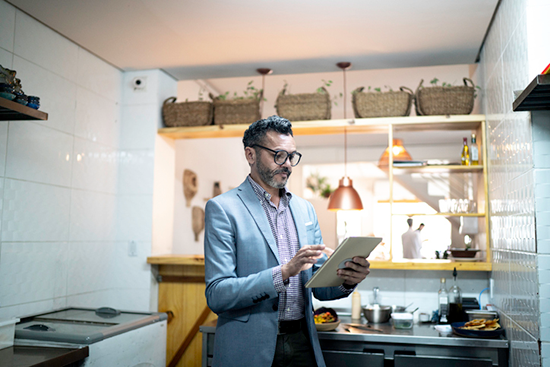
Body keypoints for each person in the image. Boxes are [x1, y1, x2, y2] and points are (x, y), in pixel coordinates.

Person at [204, 115, 371, 367]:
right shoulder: (223, 208)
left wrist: (347, 279)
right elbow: (218, 295)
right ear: (250, 155)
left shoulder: (305, 210)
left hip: (303, 342)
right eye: (278, 155)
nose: (288, 164)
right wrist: (284, 272)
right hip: (249, 348)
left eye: (291, 156)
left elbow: (320, 287)